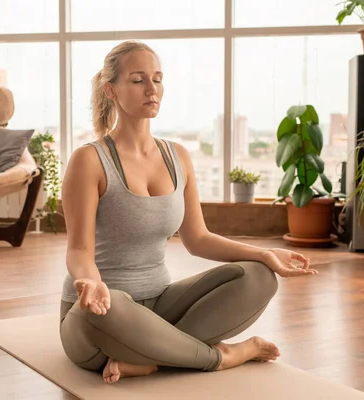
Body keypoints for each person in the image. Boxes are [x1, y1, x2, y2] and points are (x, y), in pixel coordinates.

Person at [59, 40, 318, 385]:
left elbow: (198, 239)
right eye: (138, 80)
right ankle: (223, 356)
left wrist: (266, 254)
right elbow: (78, 250)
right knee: (113, 307)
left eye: (157, 79)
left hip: (161, 307)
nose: (152, 89)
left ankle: (149, 357)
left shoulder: (177, 156)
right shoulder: (89, 160)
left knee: (258, 277)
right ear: (111, 90)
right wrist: (92, 284)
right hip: (101, 314)